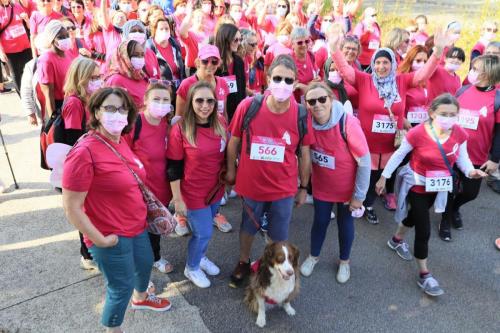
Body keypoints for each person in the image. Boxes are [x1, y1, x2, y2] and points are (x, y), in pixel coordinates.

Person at [62, 87, 171, 333]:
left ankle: (141, 298)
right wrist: (100, 239)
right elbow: (71, 207)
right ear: (96, 112)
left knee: (144, 268)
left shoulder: (119, 140)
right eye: (109, 108)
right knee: (120, 287)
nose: (117, 114)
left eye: (122, 108)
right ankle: (113, 329)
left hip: (137, 227)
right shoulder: (83, 152)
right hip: (110, 235)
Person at [329, 29, 447, 223]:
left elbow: (423, 74)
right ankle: (362, 203)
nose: (381, 66)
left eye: (386, 62)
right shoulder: (364, 80)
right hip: (366, 145)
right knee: (365, 177)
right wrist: (334, 48)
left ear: (393, 64)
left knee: (384, 178)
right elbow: (345, 70)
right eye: (377, 62)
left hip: (392, 146)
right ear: (373, 64)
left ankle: (370, 203)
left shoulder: (402, 81)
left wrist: (438, 51)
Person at [375, 93, 487, 296]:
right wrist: (384, 177)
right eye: (444, 113)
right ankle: (425, 275)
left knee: (414, 217)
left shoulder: (459, 133)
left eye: (453, 114)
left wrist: (471, 171)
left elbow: (463, 158)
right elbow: (399, 155)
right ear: (432, 113)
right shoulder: (418, 133)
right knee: (423, 229)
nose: (449, 118)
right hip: (417, 185)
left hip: (439, 187)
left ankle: (396, 240)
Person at [225, 54, 314, 287]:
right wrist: (230, 173)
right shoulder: (249, 106)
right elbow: (233, 141)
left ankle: (273, 271)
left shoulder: (301, 114)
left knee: (279, 235)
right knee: (247, 227)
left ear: (295, 84)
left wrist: (304, 187)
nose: (282, 85)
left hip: (283, 188)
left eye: (288, 80)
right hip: (251, 185)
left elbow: (305, 153)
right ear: (268, 79)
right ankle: (244, 262)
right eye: (278, 78)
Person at [299, 82, 370, 283]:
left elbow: (364, 161)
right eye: (312, 101)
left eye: (322, 99)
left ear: (331, 100)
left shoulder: (346, 123)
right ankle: (313, 257)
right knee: (320, 221)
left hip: (347, 189)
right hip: (323, 187)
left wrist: (359, 196)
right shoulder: (307, 123)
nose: (317, 105)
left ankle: (344, 262)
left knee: (344, 223)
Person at [166, 81, 227, 288]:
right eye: (199, 100)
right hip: (192, 192)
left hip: (216, 190)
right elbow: (173, 167)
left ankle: (200, 257)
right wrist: (177, 198)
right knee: (203, 233)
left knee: (205, 230)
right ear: (190, 102)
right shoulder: (180, 129)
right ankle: (191, 267)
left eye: (210, 100)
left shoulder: (220, 122)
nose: (205, 105)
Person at [440, 55, 500, 240]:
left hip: (477, 155)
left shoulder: (497, 99)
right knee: (449, 188)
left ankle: (455, 208)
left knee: (470, 192)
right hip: (452, 152)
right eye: (472, 68)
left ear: (488, 73)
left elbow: (499, 132)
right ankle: (445, 219)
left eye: (476, 69)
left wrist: (495, 159)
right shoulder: (463, 90)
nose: (471, 72)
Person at [175, 44, 232, 233]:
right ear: (197, 61)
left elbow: (225, 114)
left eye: (214, 61)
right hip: (192, 139)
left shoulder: (222, 83)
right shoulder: (186, 84)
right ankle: (182, 215)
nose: (210, 64)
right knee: (190, 175)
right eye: (206, 60)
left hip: (215, 135)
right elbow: (179, 116)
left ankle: (211, 214)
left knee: (213, 177)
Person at [124, 83, 175, 274]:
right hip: (139, 190)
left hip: (162, 188)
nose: (160, 104)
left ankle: (155, 257)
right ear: (145, 100)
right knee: (137, 229)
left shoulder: (168, 123)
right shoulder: (134, 123)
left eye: (165, 100)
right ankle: (138, 264)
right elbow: (121, 153)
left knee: (154, 228)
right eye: (156, 99)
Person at [61, 57, 101, 269]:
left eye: (99, 77)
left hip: (92, 160)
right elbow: (74, 139)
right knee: (81, 208)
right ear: (81, 78)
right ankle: (87, 255)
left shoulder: (87, 99)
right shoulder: (74, 103)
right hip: (81, 165)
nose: (97, 81)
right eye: (93, 78)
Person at [37, 20, 78, 121]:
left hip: (73, 101)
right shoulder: (46, 60)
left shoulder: (68, 53)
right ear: (52, 40)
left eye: (66, 36)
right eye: (60, 37)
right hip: (59, 105)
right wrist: (53, 119)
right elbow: (48, 93)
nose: (65, 39)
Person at [215, 23, 247, 121]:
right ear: (226, 40)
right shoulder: (214, 62)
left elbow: (242, 88)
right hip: (218, 113)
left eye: (240, 39)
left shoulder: (239, 61)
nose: (238, 43)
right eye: (235, 40)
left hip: (237, 113)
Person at [0, 0, 32, 95]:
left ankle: (33, 93)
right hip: (10, 50)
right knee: (16, 74)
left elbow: (29, 26)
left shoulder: (17, 6)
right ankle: (23, 98)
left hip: (25, 46)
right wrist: (1, 52)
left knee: (30, 70)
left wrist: (27, 20)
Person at [104, 39, 149, 109]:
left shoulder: (141, 76)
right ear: (124, 56)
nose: (140, 58)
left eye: (142, 55)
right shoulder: (115, 80)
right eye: (136, 55)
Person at [146, 16, 186, 88]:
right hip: (161, 87)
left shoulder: (175, 44)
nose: (164, 31)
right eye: (161, 29)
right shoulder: (149, 47)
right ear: (155, 30)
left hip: (178, 86)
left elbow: (181, 69)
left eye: (167, 29)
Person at [398, 45, 430, 127]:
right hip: (406, 127)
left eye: (425, 61)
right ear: (410, 61)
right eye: (418, 61)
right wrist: (402, 120)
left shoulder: (429, 80)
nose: (422, 64)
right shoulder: (401, 79)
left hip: (424, 127)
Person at [289, 27, 318, 103]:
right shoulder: (288, 60)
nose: (304, 45)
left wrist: (316, 80)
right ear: (292, 44)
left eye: (307, 41)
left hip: (310, 99)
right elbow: (286, 84)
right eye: (300, 42)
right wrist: (301, 86)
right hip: (295, 102)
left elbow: (316, 74)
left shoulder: (310, 55)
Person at [353, 6, 381, 72]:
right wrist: (367, 33)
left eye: (375, 15)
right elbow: (356, 41)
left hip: (373, 59)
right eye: (372, 15)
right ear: (366, 16)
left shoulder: (376, 25)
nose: (375, 17)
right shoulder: (360, 26)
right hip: (362, 61)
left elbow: (379, 41)